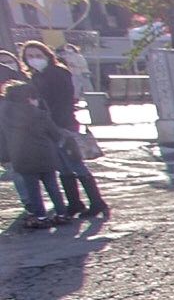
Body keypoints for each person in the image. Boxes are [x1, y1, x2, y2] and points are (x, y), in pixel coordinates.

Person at [19, 40, 108, 219]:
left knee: (74, 163)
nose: (34, 59)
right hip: (50, 126)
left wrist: (54, 125)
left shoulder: (57, 73)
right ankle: (75, 203)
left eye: (38, 55)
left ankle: (96, 202)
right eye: (30, 56)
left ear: (47, 56)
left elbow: (62, 102)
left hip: (62, 124)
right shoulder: (37, 76)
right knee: (63, 166)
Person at [0, 80, 74, 228]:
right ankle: (62, 214)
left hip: (21, 157)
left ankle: (40, 217)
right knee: (52, 187)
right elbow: (55, 134)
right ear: (29, 98)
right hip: (45, 155)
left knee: (33, 190)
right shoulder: (40, 114)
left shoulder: (4, 115)